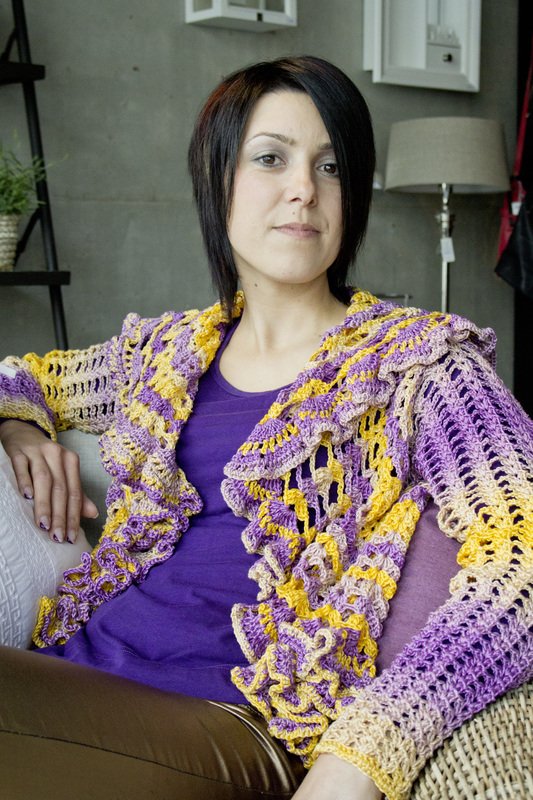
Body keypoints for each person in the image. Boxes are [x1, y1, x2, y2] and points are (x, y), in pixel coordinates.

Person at [0, 55, 531, 800]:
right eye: (271, 158)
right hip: (69, 684)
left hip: (232, 730)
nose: (303, 189)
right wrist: (21, 430)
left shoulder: (424, 364)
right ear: (216, 178)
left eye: (331, 166)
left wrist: (367, 749)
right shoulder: (165, 354)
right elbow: (22, 377)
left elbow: (520, 560)